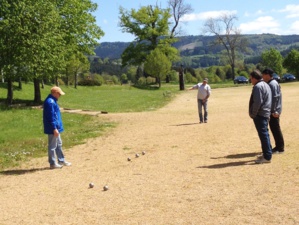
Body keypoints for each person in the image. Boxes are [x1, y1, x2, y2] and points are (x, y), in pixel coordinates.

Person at [43, 86, 71, 169]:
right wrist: (54, 128)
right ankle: (52, 163)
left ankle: (61, 160)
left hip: (56, 127)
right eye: (59, 94)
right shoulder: (50, 102)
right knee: (52, 146)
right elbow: (51, 116)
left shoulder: (53, 101)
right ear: (54, 93)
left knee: (59, 144)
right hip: (53, 128)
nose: (60, 96)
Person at [249, 70, 272, 164]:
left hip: (260, 114)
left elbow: (258, 102)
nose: (250, 80)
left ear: (254, 78)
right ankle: (267, 153)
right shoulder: (266, 84)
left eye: (251, 78)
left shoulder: (258, 86)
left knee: (263, 135)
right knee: (265, 134)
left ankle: (267, 157)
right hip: (265, 113)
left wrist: (253, 113)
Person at [262, 68, 285, 153]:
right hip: (272, 111)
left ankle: (280, 148)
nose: (262, 76)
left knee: (276, 129)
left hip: (274, 112)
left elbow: (275, 98)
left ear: (268, 75)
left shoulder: (272, 84)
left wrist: (274, 111)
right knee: (274, 128)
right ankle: (278, 146)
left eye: (263, 74)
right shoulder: (272, 83)